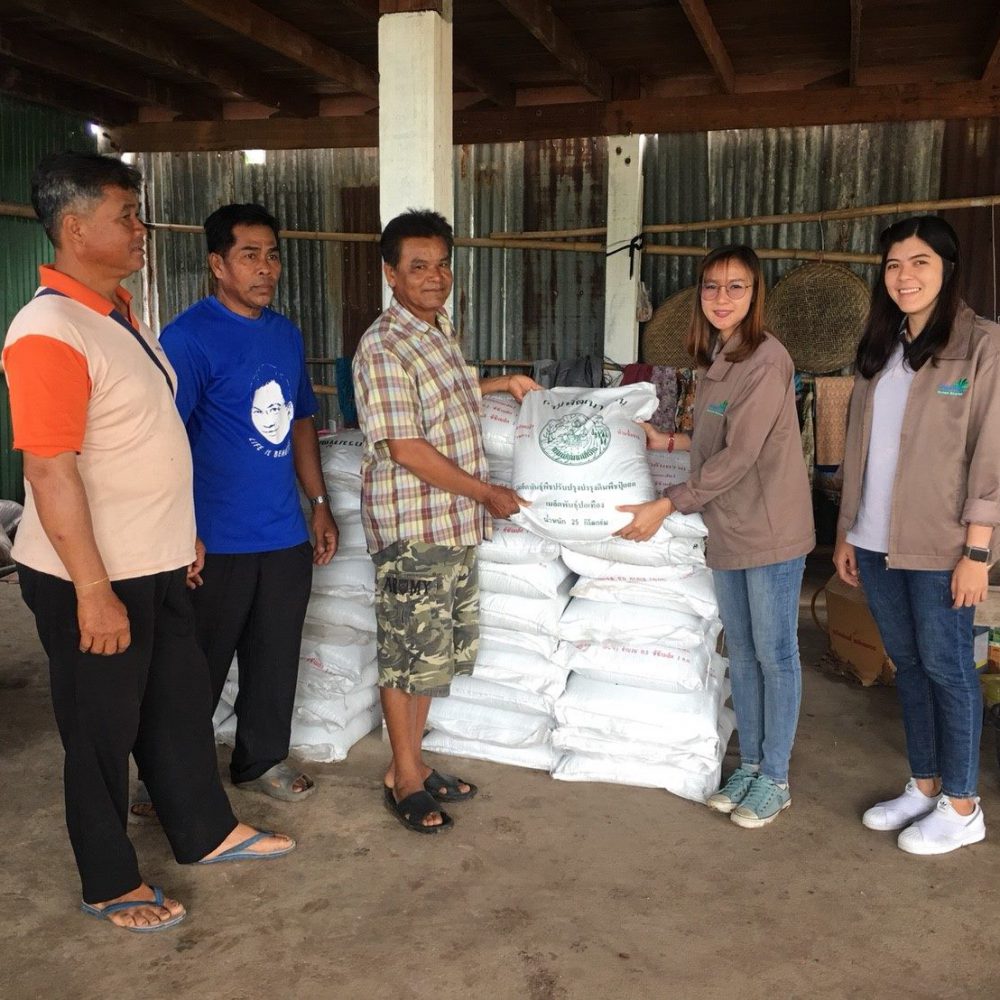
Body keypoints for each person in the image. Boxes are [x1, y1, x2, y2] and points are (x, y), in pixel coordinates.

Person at [3, 152, 293, 934]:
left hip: (154, 559)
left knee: (176, 707)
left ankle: (204, 831)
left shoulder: (117, 316)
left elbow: (141, 442)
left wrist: (179, 531)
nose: (142, 229)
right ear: (74, 228)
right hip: (91, 574)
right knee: (100, 731)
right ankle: (109, 881)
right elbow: (51, 471)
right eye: (126, 216)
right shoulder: (48, 330)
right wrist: (93, 591)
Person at [353, 209, 540, 833]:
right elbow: (406, 446)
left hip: (451, 523)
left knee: (432, 656)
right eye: (418, 266)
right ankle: (404, 779)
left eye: (441, 265)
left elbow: (443, 395)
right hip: (414, 529)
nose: (434, 277)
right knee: (407, 656)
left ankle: (410, 762)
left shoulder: (436, 330)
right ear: (391, 273)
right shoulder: (384, 345)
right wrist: (486, 492)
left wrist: (497, 383)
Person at [616, 244, 815, 828]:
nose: (721, 298)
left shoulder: (767, 361)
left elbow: (741, 456)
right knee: (744, 655)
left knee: (776, 655)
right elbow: (715, 443)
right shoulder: (717, 359)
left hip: (770, 529)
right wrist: (668, 442)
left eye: (736, 287)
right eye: (711, 286)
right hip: (727, 525)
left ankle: (775, 777)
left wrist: (666, 504)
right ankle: (750, 765)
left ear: (755, 295)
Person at [159, 203, 337, 805]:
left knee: (274, 658)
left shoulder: (285, 334)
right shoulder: (187, 338)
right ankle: (169, 778)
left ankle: (260, 760)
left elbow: (302, 421)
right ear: (218, 264)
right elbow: (164, 441)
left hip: (282, 533)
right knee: (195, 668)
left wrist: (318, 503)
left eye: (273, 255)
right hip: (214, 538)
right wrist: (178, 530)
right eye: (249, 255)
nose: (266, 268)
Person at [834, 216, 1000, 855]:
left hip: (942, 545)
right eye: (893, 265)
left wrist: (977, 551)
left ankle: (962, 805)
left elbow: (990, 455)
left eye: (920, 262)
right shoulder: (882, 345)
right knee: (908, 666)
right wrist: (848, 531)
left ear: (948, 269)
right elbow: (859, 447)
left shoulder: (981, 345)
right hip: (875, 540)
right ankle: (925, 785)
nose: (904, 276)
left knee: (949, 669)